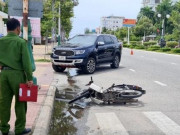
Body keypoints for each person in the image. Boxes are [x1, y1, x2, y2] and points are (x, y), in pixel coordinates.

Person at [0, 18, 33, 135]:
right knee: (20, 102)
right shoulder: (20, 42)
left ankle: (4, 128)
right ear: (18, 28)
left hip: (3, 75)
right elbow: (27, 63)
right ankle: (19, 129)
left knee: (4, 102)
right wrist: (29, 78)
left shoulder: (1, 41)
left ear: (7, 28)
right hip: (17, 75)